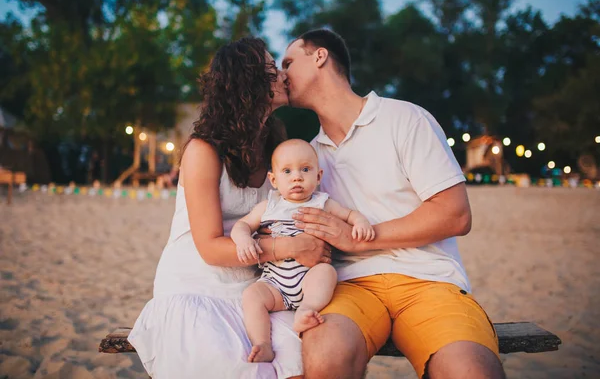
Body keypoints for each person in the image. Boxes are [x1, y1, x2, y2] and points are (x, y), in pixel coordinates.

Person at [281, 29, 506, 379]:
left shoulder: (405, 119)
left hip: (429, 280)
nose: (282, 75)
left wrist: (359, 238)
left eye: (289, 63)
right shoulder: (309, 157)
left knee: (471, 371)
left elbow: (455, 214)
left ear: (320, 57)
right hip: (350, 285)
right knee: (325, 358)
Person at [128, 37, 331, 379]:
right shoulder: (203, 151)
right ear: (248, 84)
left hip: (258, 287)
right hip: (197, 285)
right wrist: (290, 247)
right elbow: (208, 247)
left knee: (306, 359)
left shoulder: (277, 148)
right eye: (271, 70)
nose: (283, 76)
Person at [230, 139, 374, 363]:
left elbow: (349, 215)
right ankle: (262, 343)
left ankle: (305, 310)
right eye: (287, 171)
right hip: (274, 284)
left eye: (305, 169)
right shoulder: (268, 207)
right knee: (251, 296)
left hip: (310, 279)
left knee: (326, 272)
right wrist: (243, 240)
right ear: (274, 180)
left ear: (318, 176)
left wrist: (361, 222)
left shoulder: (322, 203)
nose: (297, 177)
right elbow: (242, 225)